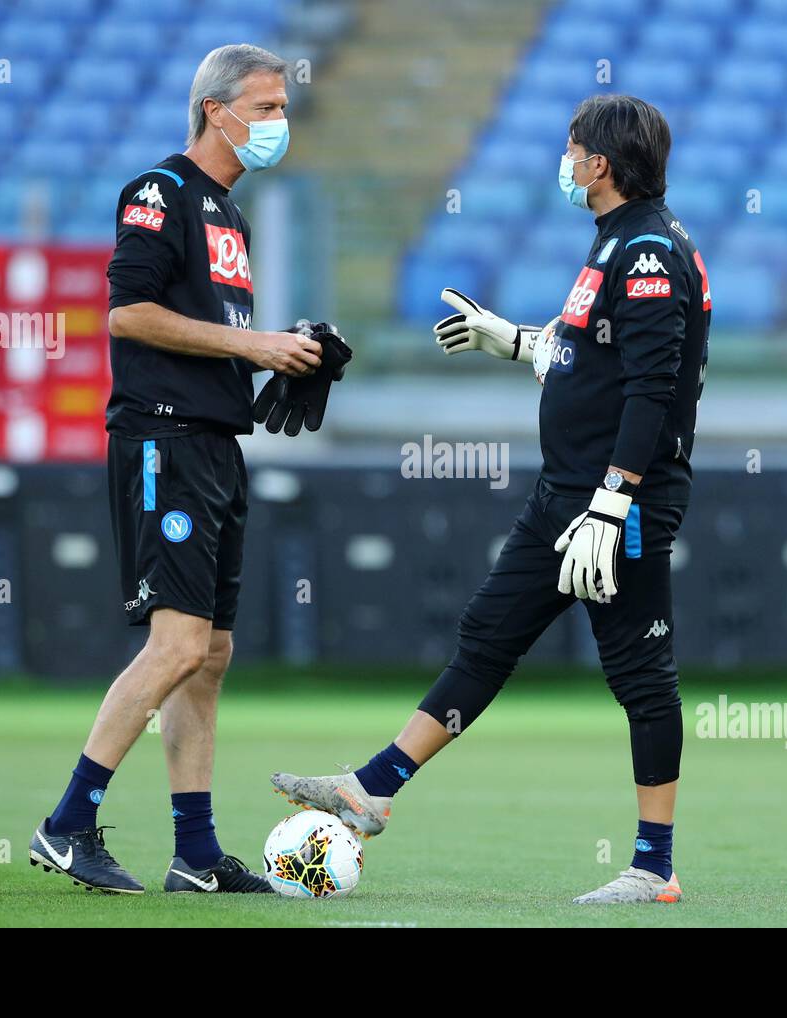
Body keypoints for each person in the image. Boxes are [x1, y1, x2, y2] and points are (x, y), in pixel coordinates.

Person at [272, 94, 712, 904]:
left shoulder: (648, 250)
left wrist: (614, 503)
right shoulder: (618, 241)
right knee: (487, 635)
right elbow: (585, 352)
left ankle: (654, 866)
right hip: (564, 494)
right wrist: (509, 339)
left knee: (642, 674)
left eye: (572, 148)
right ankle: (375, 787)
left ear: (600, 165)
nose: (565, 160)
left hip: (616, 504)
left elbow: (652, 392)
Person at [29, 44, 346, 895]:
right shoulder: (159, 192)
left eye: (284, 107)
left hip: (214, 444)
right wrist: (254, 343)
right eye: (268, 106)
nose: (281, 122)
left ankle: (195, 854)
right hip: (162, 442)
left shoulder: (230, 217)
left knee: (209, 653)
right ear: (217, 108)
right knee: (174, 648)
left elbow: (211, 332)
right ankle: (66, 824)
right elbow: (128, 313)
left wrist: (295, 357)